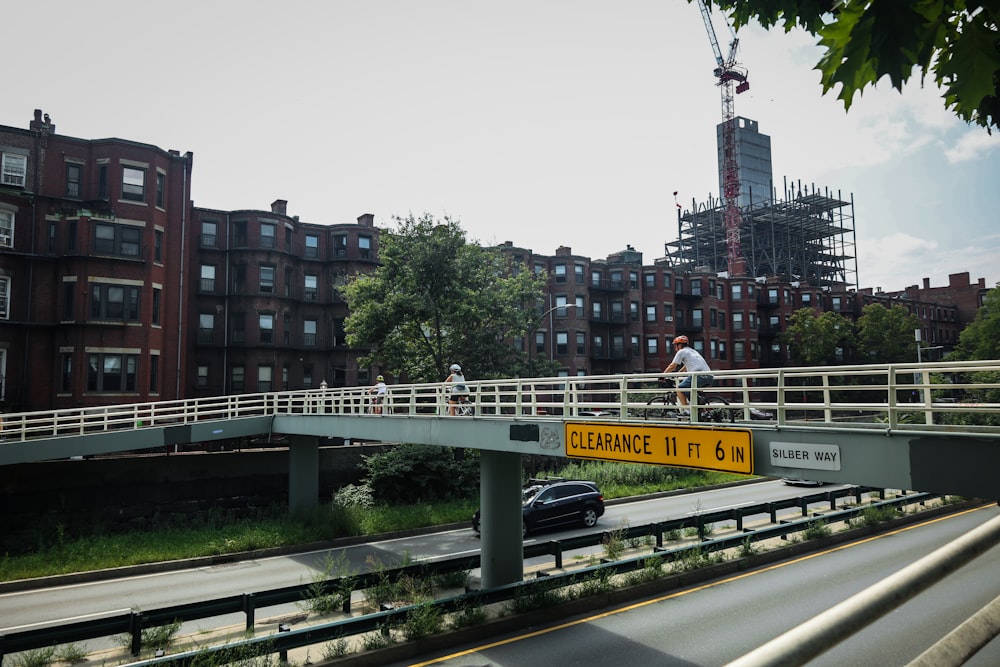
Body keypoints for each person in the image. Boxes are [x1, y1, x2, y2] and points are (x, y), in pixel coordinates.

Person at [662, 335, 713, 416]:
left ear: (679, 345)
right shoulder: (693, 351)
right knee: (693, 394)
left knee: (679, 389)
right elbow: (686, 365)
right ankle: (704, 413)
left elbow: (673, 365)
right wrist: (679, 373)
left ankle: (687, 411)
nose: (675, 348)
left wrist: (663, 375)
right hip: (709, 376)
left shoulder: (681, 352)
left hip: (699, 376)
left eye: (675, 346)